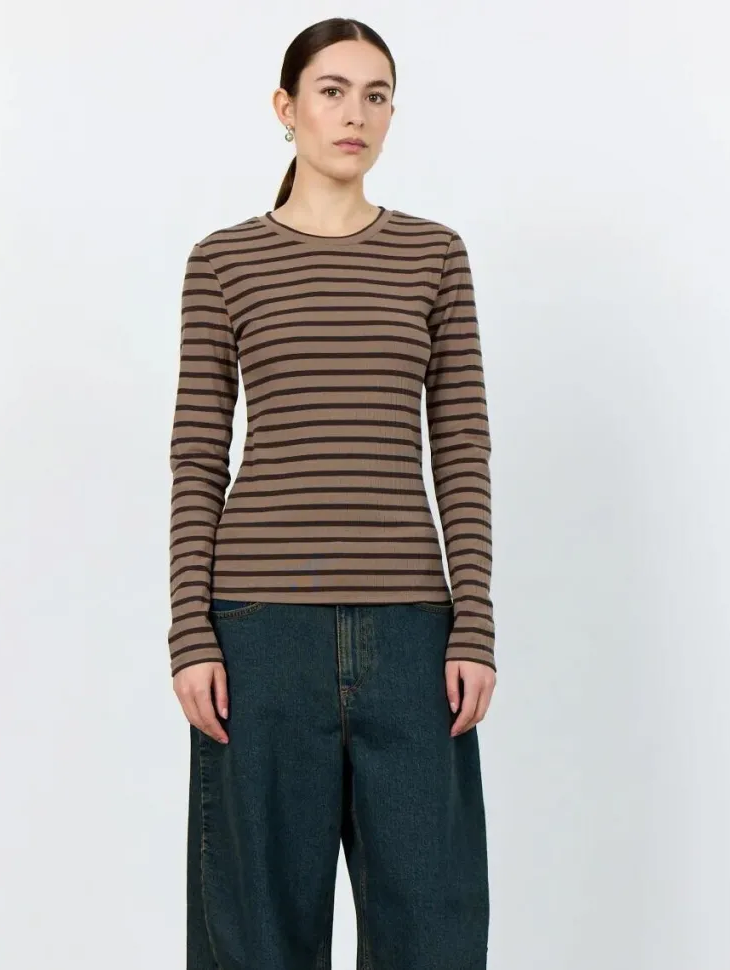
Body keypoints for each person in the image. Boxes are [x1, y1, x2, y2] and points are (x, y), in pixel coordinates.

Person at [167, 17, 497, 970]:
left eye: (376, 95)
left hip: (412, 637)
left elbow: (462, 447)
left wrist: (472, 624)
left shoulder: (434, 256)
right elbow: (198, 455)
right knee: (255, 934)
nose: (356, 114)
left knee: (431, 929)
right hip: (259, 634)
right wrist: (191, 632)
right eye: (333, 91)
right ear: (287, 107)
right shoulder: (224, 262)